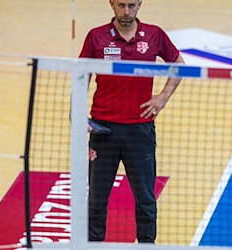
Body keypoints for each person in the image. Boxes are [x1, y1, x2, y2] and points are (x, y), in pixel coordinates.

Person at [79, 0, 185, 243]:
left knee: (146, 199)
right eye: (121, 6)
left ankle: (147, 245)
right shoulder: (96, 37)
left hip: (140, 130)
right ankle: (92, 246)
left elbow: (179, 66)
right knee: (96, 198)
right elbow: (81, 74)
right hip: (102, 129)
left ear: (140, 4)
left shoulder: (155, 35)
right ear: (111, 4)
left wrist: (162, 97)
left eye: (131, 6)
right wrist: (77, 113)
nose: (126, 12)